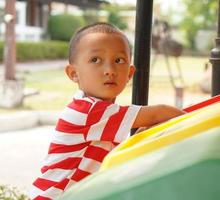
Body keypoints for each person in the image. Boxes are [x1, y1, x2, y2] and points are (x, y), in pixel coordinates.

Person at [29, 22, 185, 200]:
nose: (110, 70)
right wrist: (197, 125)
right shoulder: (87, 111)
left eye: (119, 61)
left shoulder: (105, 115)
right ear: (73, 73)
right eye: (95, 60)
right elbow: (160, 112)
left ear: (129, 73)